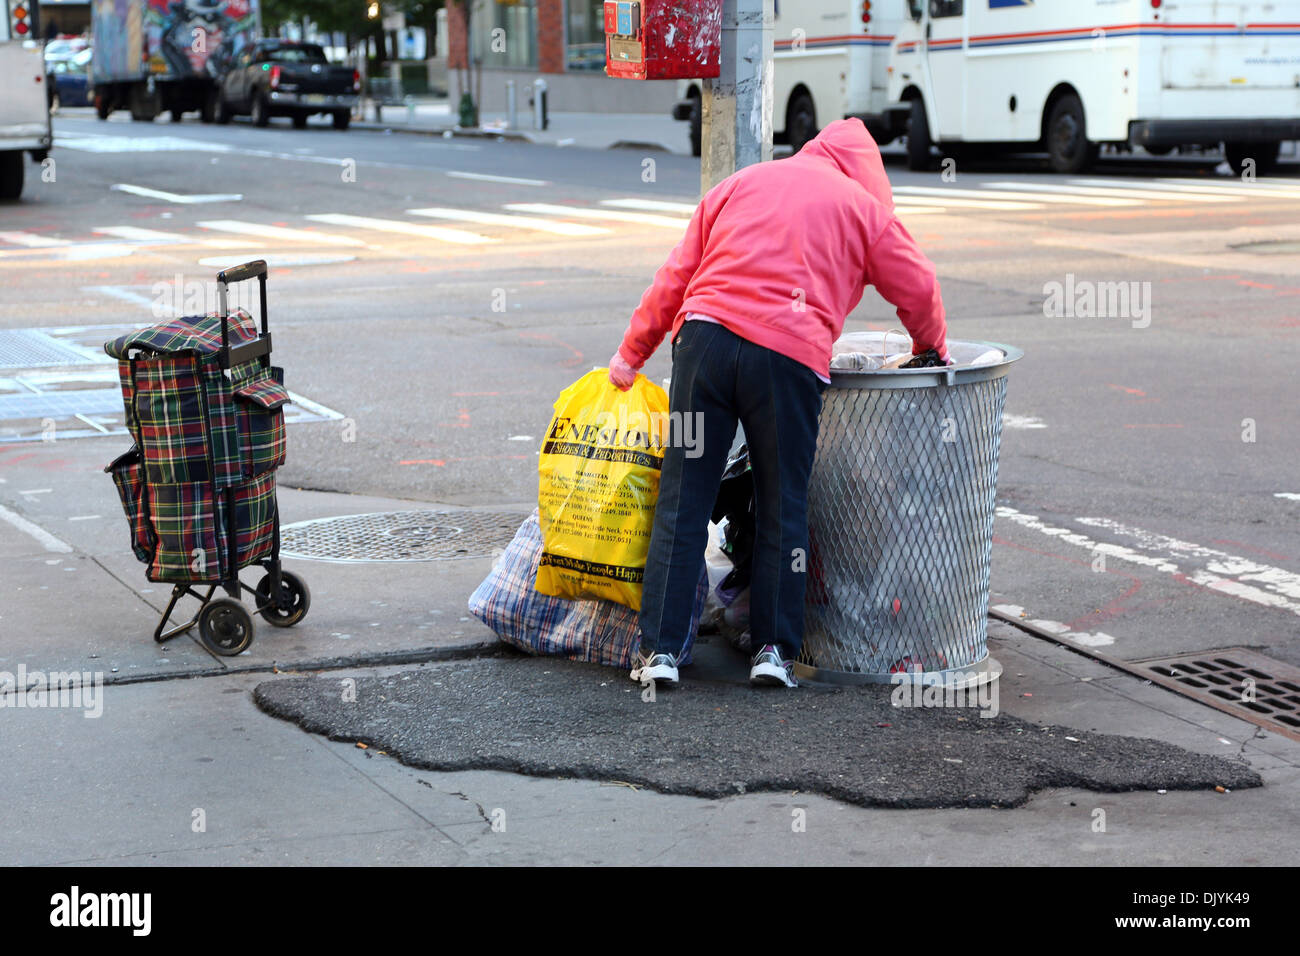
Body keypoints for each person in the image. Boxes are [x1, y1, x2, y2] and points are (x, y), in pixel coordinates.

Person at [609, 118, 949, 689]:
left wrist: (630, 355)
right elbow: (916, 283)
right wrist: (930, 346)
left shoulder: (743, 183)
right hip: (785, 364)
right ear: (866, 172)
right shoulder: (863, 209)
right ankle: (772, 651)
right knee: (782, 504)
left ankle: (662, 652)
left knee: (683, 498)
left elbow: (675, 276)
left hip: (704, 348)